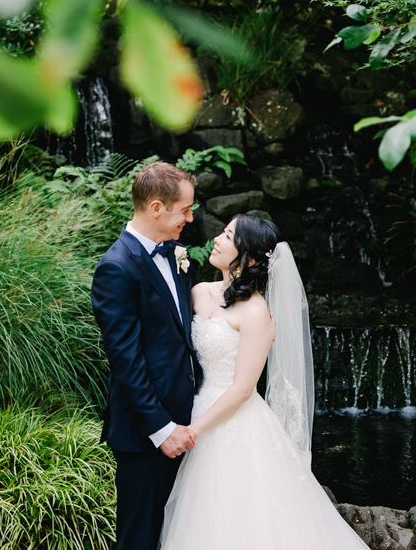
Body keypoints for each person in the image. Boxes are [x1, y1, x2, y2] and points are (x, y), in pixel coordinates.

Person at [158, 214, 372, 550]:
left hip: (231, 423)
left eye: (228, 235)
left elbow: (244, 389)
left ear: (250, 259)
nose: (216, 238)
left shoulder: (256, 313)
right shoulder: (198, 292)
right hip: (192, 405)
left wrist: (193, 430)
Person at [91, 161, 201, 550]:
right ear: (156, 208)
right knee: (140, 538)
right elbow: (126, 360)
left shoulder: (176, 256)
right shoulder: (116, 268)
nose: (190, 218)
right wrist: (162, 429)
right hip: (147, 433)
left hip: (190, 424)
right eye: (185, 209)